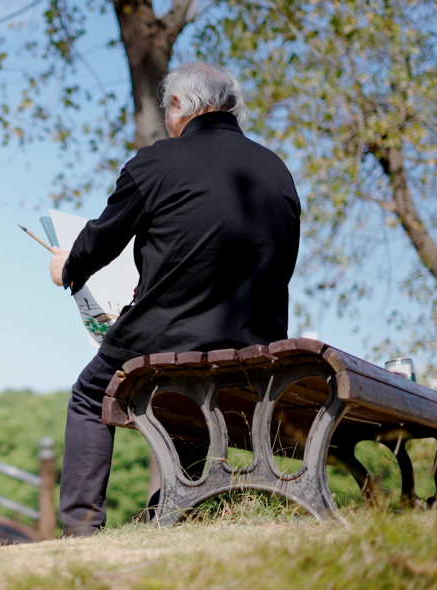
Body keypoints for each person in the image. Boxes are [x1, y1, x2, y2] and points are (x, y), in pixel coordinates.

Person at [48, 62, 301, 536]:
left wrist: (67, 267)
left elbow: (101, 240)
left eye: (168, 108)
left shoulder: (157, 162)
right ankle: (167, 516)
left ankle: (81, 529)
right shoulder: (277, 170)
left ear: (180, 106)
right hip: (256, 346)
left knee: (88, 398)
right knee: (189, 402)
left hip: (167, 339)